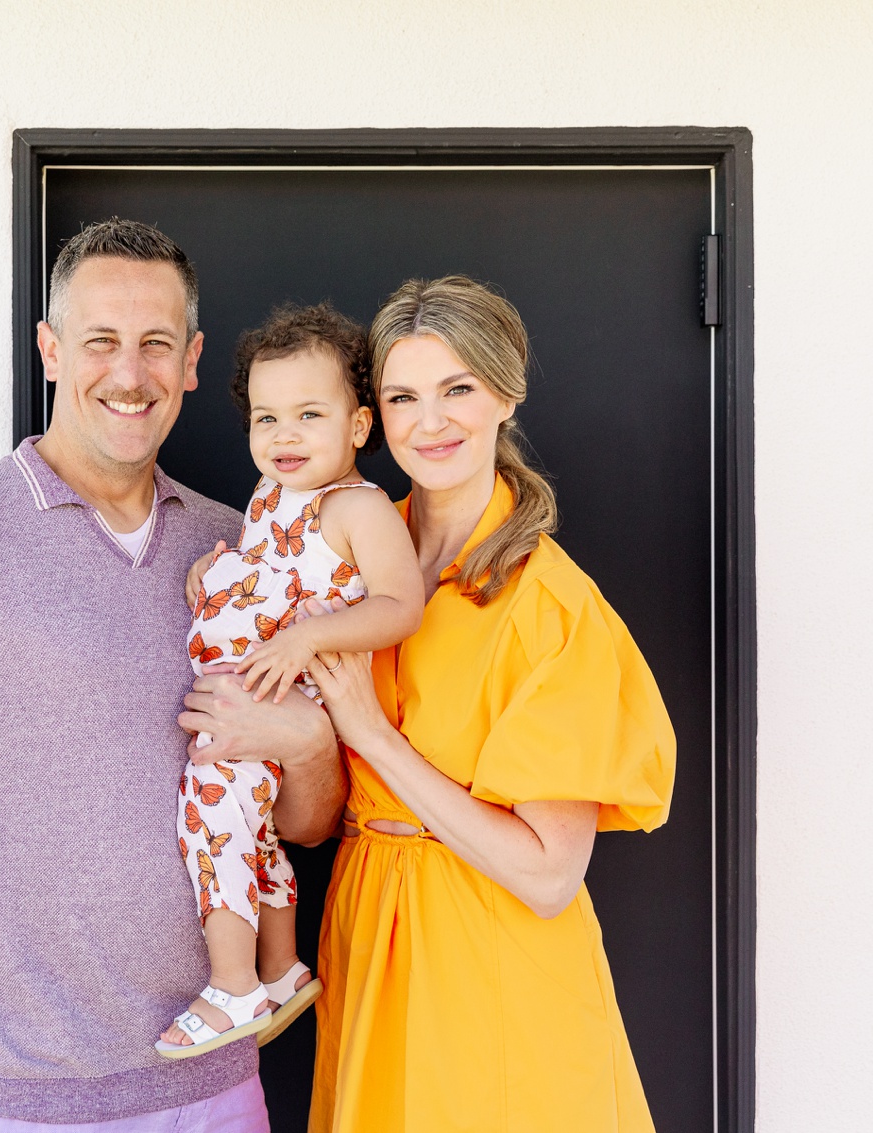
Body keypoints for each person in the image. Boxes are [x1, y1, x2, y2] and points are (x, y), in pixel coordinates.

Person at [0, 218, 344, 1133]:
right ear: (51, 350)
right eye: (100, 341)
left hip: (220, 1094)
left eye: (155, 344)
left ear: (194, 359)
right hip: (27, 1108)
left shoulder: (245, 549)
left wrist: (311, 743)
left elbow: (306, 821)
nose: (128, 374)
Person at [304, 276, 678, 1132]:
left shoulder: (549, 605)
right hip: (370, 941)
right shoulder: (347, 560)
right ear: (373, 417)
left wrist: (373, 736)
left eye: (457, 389)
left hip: (494, 965)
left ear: (506, 393)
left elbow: (549, 875)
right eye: (403, 396)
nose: (429, 421)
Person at [157, 305, 423, 1059]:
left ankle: (231, 984)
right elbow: (271, 580)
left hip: (290, 703)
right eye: (267, 418)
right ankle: (278, 968)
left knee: (212, 819)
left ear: (360, 426)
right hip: (253, 699)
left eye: (310, 414)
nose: (285, 435)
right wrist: (218, 580)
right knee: (258, 836)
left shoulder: (357, 507)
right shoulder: (271, 499)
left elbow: (400, 605)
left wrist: (310, 636)